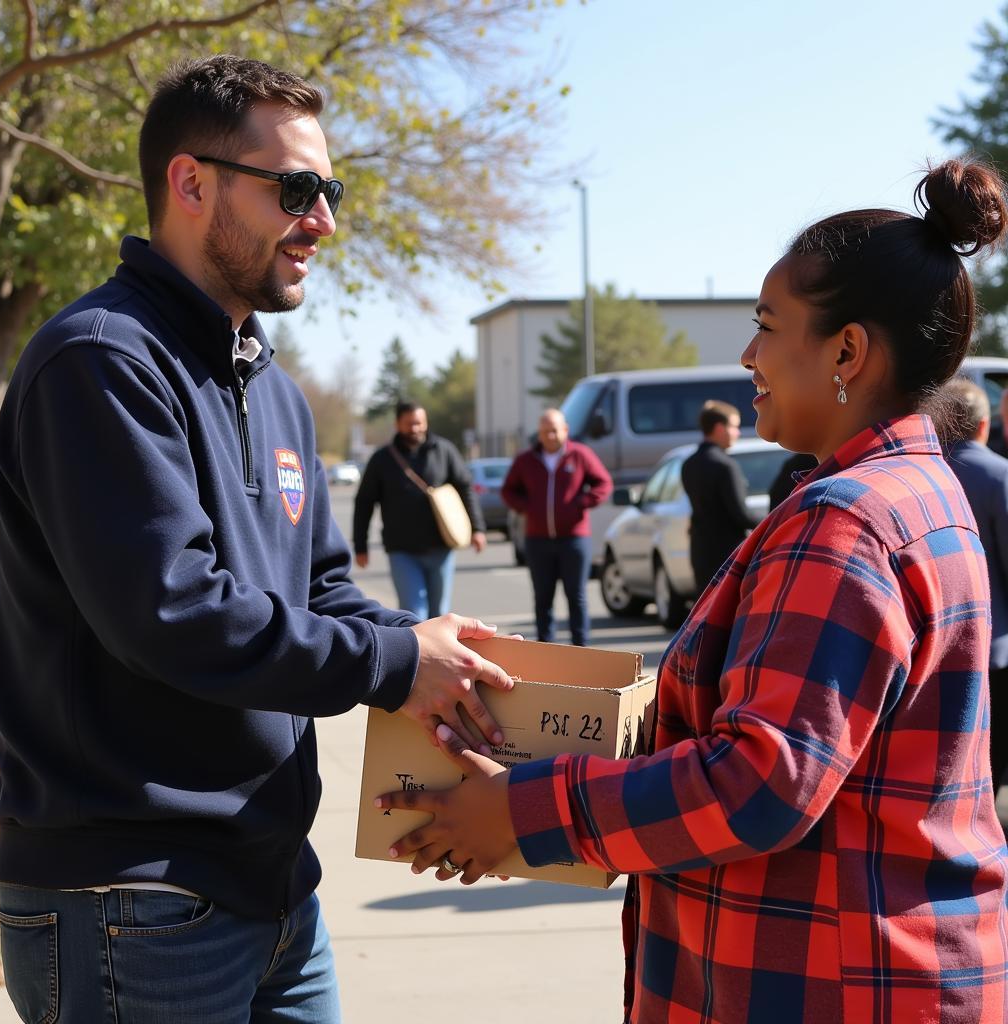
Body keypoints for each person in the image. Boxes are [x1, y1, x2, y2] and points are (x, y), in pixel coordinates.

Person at [379, 158, 1008, 1023]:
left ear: (848, 352)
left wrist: (522, 811)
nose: (747, 356)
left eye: (766, 325)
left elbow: (760, 780)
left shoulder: (849, 520)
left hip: (830, 981)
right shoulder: (920, 491)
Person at [0, 55, 516, 1024]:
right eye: (297, 190)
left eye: (331, 190)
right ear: (191, 183)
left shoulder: (270, 384)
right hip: (132, 901)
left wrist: (437, 653)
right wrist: (391, 663)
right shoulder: (99, 361)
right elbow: (171, 613)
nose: (323, 220)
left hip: (272, 890)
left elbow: (317, 591)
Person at [932, 377, 1008, 804]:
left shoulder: (920, 473)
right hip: (994, 648)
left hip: (932, 649)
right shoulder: (999, 474)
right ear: (983, 426)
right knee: (988, 768)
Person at [353, 401, 486, 619]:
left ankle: (439, 654)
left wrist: (478, 529)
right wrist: (360, 546)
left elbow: (465, 488)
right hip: (402, 550)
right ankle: (417, 654)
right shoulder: (382, 459)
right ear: (397, 424)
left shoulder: (444, 451)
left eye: (419, 423)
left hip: (441, 546)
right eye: (409, 424)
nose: (415, 428)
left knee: (440, 614)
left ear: (426, 423)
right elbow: (364, 502)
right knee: (413, 613)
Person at [500, 408, 612, 646]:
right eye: (544, 431)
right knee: (543, 598)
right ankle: (546, 649)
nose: (550, 436)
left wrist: (580, 504)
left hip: (574, 538)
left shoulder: (580, 455)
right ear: (539, 434)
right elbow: (508, 490)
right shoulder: (526, 460)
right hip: (538, 539)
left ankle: (582, 650)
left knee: (577, 595)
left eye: (554, 430)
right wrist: (527, 507)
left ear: (565, 430)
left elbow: (603, 483)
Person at [680, 400, 759, 591]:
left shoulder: (689, 463)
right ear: (719, 428)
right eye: (734, 427)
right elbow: (740, 514)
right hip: (726, 552)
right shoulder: (725, 466)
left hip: (699, 549)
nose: (738, 433)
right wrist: (770, 523)